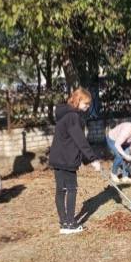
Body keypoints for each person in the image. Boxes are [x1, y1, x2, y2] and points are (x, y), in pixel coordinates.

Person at [47, 87, 104, 233]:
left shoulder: (64, 114)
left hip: (57, 157)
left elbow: (73, 140)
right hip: (66, 159)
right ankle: (70, 224)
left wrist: (86, 160)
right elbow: (80, 141)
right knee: (71, 189)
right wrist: (93, 159)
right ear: (77, 101)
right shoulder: (73, 117)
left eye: (88, 104)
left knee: (61, 190)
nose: (87, 107)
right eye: (85, 104)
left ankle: (64, 223)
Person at [107, 120, 131, 184]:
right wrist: (125, 155)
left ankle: (125, 177)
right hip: (113, 140)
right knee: (119, 156)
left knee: (128, 156)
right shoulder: (126, 131)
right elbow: (117, 144)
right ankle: (113, 174)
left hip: (123, 142)